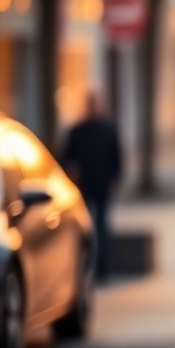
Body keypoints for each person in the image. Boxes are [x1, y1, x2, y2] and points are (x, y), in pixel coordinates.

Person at [61, 91, 122, 279]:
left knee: (102, 226)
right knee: (84, 228)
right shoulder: (77, 131)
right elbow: (67, 158)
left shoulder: (108, 130)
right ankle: (85, 266)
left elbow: (117, 156)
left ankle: (103, 267)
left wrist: (115, 178)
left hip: (102, 185)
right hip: (83, 187)